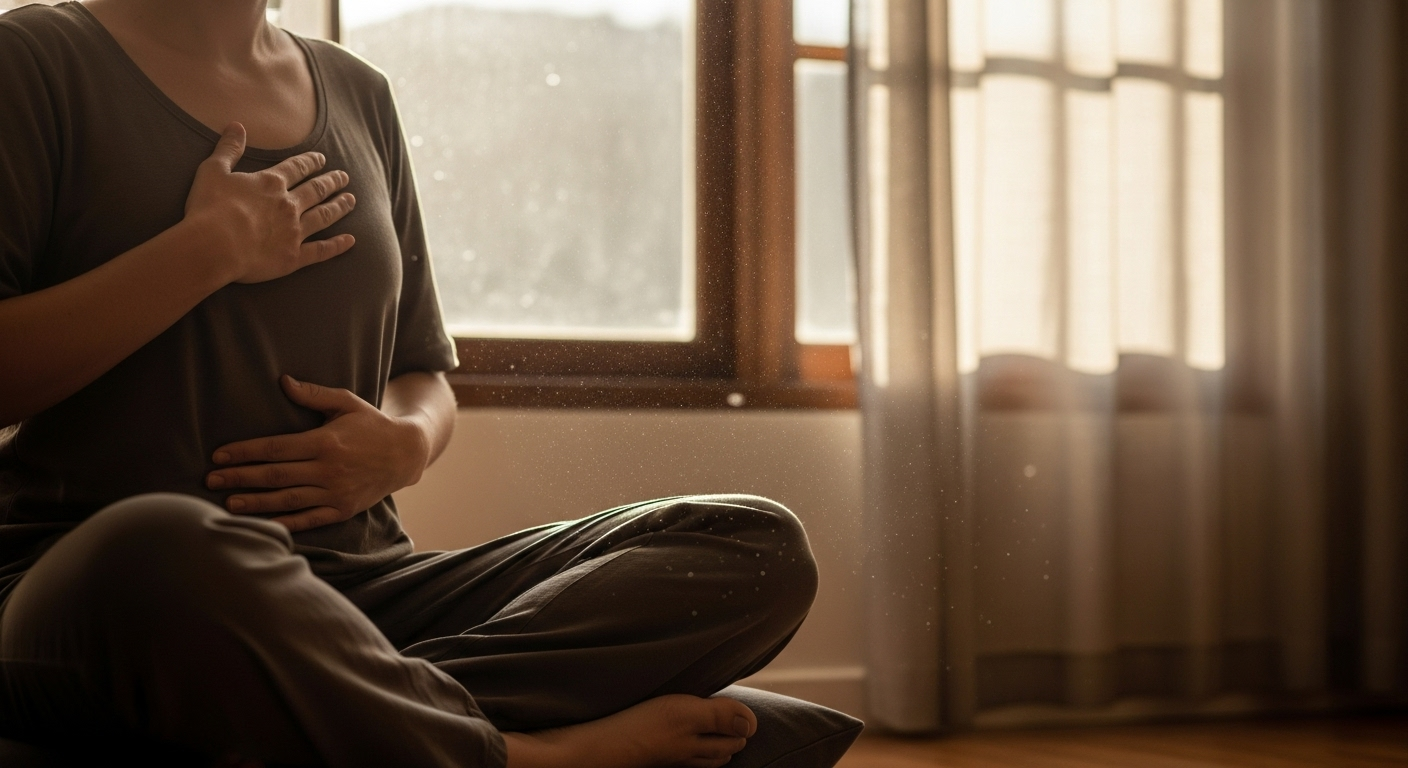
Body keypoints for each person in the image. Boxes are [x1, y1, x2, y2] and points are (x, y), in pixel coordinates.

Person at [0, 1, 819, 766]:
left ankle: (350, 706)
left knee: (752, 545)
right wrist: (205, 252)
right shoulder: (31, 58)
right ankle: (528, 753)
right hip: (118, 590)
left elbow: (421, 374)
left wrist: (407, 444)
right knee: (158, 548)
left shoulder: (358, 91)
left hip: (367, 594)